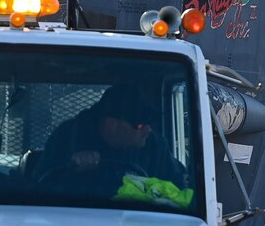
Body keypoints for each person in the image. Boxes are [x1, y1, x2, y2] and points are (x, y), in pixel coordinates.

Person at [34, 85, 193, 208]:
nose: (148, 129)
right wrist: (71, 170)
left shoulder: (154, 145)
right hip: (74, 221)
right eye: (139, 124)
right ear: (111, 124)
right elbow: (39, 188)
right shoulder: (67, 138)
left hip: (142, 223)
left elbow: (180, 189)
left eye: (149, 123)